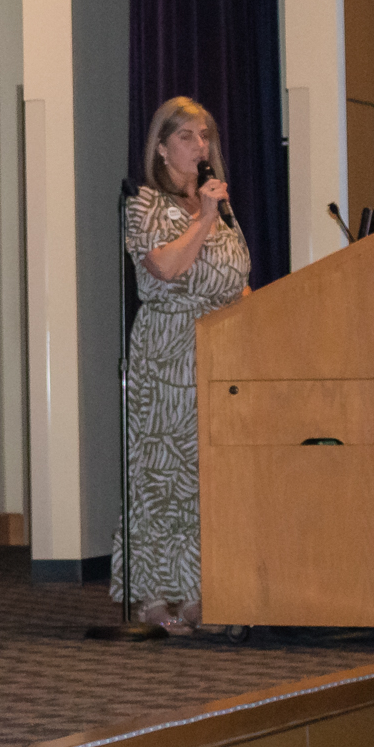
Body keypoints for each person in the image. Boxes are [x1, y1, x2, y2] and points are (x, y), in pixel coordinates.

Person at [117, 96, 250, 633]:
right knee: (162, 479)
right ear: (162, 146)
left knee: (208, 481)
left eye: (206, 136)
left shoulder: (226, 210)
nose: (201, 147)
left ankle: (197, 595)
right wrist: (206, 216)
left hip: (222, 355)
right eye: (189, 137)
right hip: (168, 355)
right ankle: (152, 598)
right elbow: (167, 267)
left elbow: (236, 280)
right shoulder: (146, 205)